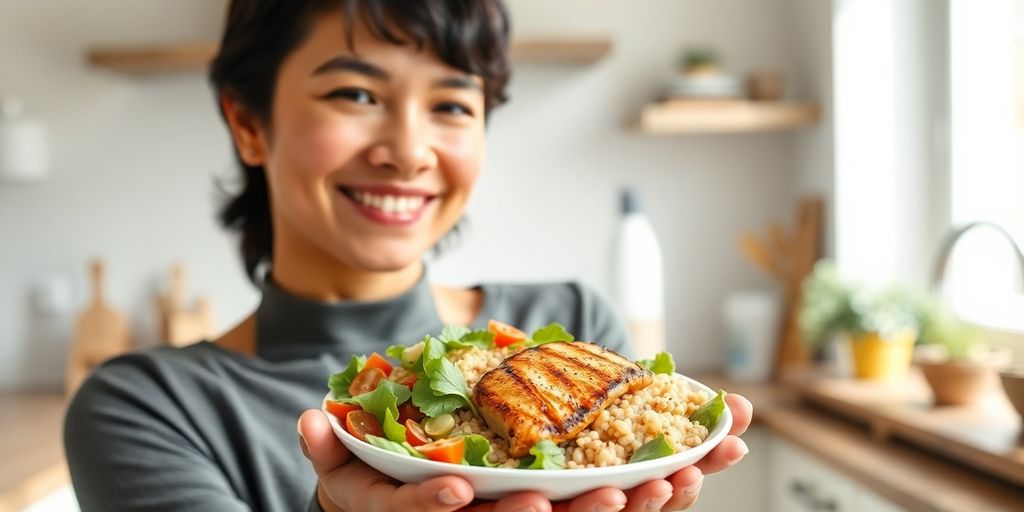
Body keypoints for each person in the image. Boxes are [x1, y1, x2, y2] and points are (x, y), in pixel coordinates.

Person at [64, 1, 753, 511]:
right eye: (355, 94)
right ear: (248, 122)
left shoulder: (569, 321)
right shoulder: (147, 407)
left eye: (452, 105)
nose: (409, 151)